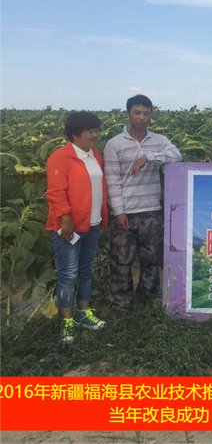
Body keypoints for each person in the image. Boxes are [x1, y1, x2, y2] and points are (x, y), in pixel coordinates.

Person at [103, 94, 182, 308]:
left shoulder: (159, 141)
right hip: (125, 212)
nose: (142, 117)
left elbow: (176, 155)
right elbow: (112, 180)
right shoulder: (114, 144)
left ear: (151, 115)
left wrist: (148, 157)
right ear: (128, 114)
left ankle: (148, 303)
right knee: (121, 261)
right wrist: (118, 212)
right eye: (137, 112)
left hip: (152, 210)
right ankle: (121, 303)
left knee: (151, 259)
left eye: (146, 113)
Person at [46, 111, 109, 343]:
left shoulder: (95, 155)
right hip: (69, 227)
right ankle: (67, 321)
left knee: (86, 271)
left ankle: (83, 313)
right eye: (90, 131)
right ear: (75, 134)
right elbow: (56, 192)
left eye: (96, 130)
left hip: (92, 223)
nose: (95, 135)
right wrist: (66, 220)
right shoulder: (60, 157)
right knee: (68, 274)